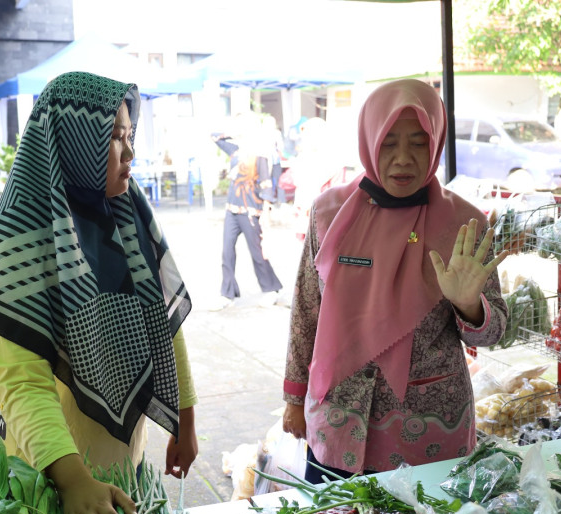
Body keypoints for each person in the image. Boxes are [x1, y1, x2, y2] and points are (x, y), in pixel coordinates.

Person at [0, 71, 199, 514]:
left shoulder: (129, 217)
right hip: (50, 473)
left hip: (119, 459)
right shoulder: (22, 240)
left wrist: (185, 421)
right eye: (113, 139)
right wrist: (73, 481)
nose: (130, 154)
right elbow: (20, 383)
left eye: (131, 137)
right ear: (74, 143)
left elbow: (164, 328)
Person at [281, 78, 509, 483]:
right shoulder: (329, 214)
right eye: (389, 143)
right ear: (369, 140)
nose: (403, 158)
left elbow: (491, 335)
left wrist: (469, 306)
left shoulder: (465, 224)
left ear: (436, 141)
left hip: (427, 432)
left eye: (418, 143)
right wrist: (294, 398)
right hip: (339, 423)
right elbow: (305, 311)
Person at [211, 114, 285, 310]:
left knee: (257, 253)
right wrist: (233, 132)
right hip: (231, 210)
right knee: (227, 251)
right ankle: (227, 294)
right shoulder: (234, 150)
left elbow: (266, 182)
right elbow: (214, 136)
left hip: (251, 210)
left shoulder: (260, 153)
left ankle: (271, 290)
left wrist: (266, 211)